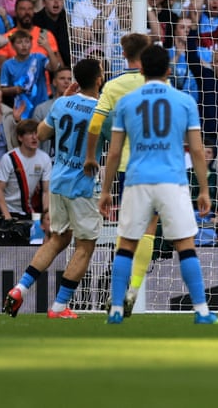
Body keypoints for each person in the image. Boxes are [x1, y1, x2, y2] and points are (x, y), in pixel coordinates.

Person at [97, 45, 218, 325]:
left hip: (137, 180)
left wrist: (105, 191)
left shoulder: (127, 102)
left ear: (140, 69)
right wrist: (204, 188)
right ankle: (202, 311)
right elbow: (198, 150)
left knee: (127, 245)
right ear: (168, 69)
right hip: (173, 180)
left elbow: (114, 153)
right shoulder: (184, 101)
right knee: (185, 245)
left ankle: (116, 310)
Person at [3, 59, 103, 319]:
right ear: (99, 79)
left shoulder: (62, 103)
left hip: (58, 180)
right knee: (85, 246)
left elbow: (42, 133)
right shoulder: (103, 109)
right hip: (82, 185)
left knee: (57, 240)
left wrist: (64, 101)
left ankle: (19, 289)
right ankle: (59, 306)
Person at [82, 32, 153, 315]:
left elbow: (95, 124)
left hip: (127, 166)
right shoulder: (160, 83)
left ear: (123, 55)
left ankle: (117, 299)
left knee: (127, 233)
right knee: (150, 230)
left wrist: (90, 156)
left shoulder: (113, 86)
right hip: (159, 165)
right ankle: (134, 288)